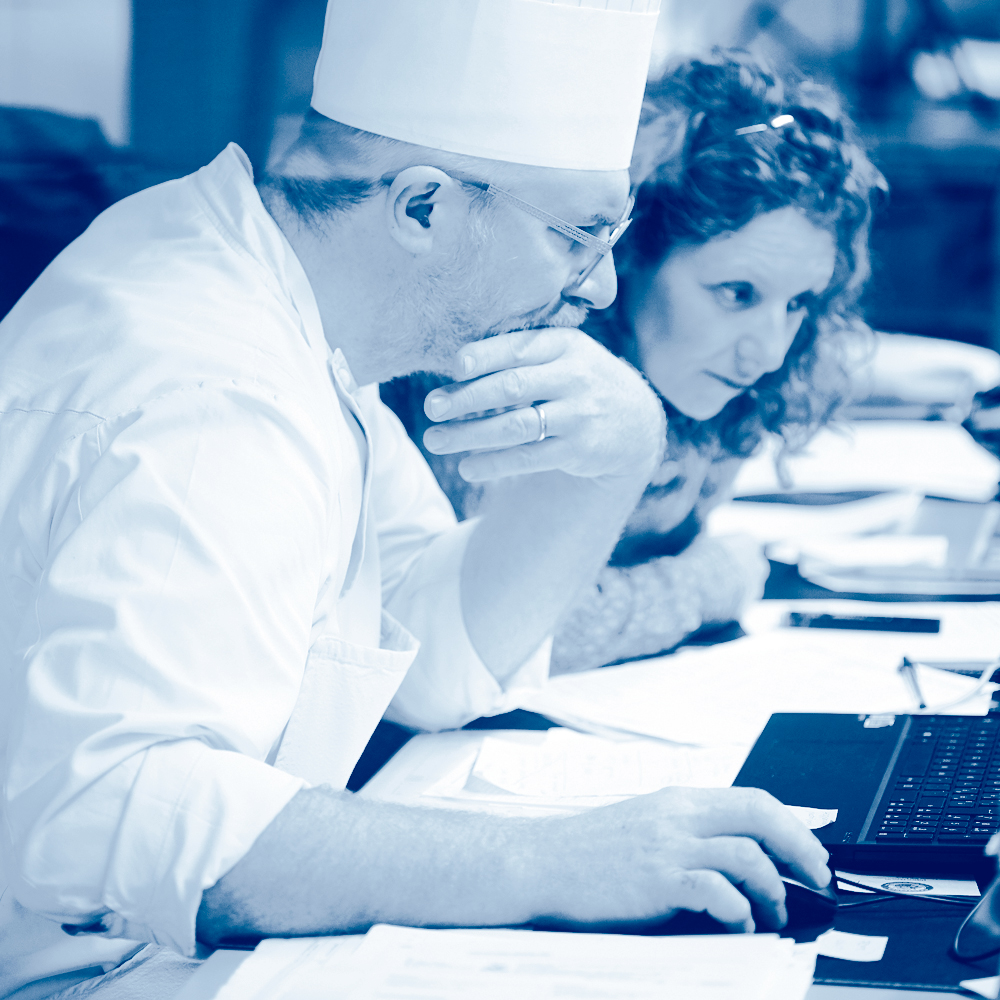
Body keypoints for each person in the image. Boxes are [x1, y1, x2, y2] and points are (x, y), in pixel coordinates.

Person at [0, 8, 830, 998]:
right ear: (424, 207)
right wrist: (552, 861)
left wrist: (610, 461)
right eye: (578, 233)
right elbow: (113, 813)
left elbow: (427, 653)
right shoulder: (209, 394)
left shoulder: (280, 298)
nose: (603, 288)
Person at [384, 52, 886, 673]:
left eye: (800, 304)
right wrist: (710, 580)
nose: (771, 352)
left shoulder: (715, 373)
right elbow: (499, 632)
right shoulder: (504, 374)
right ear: (634, 253)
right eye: (736, 294)